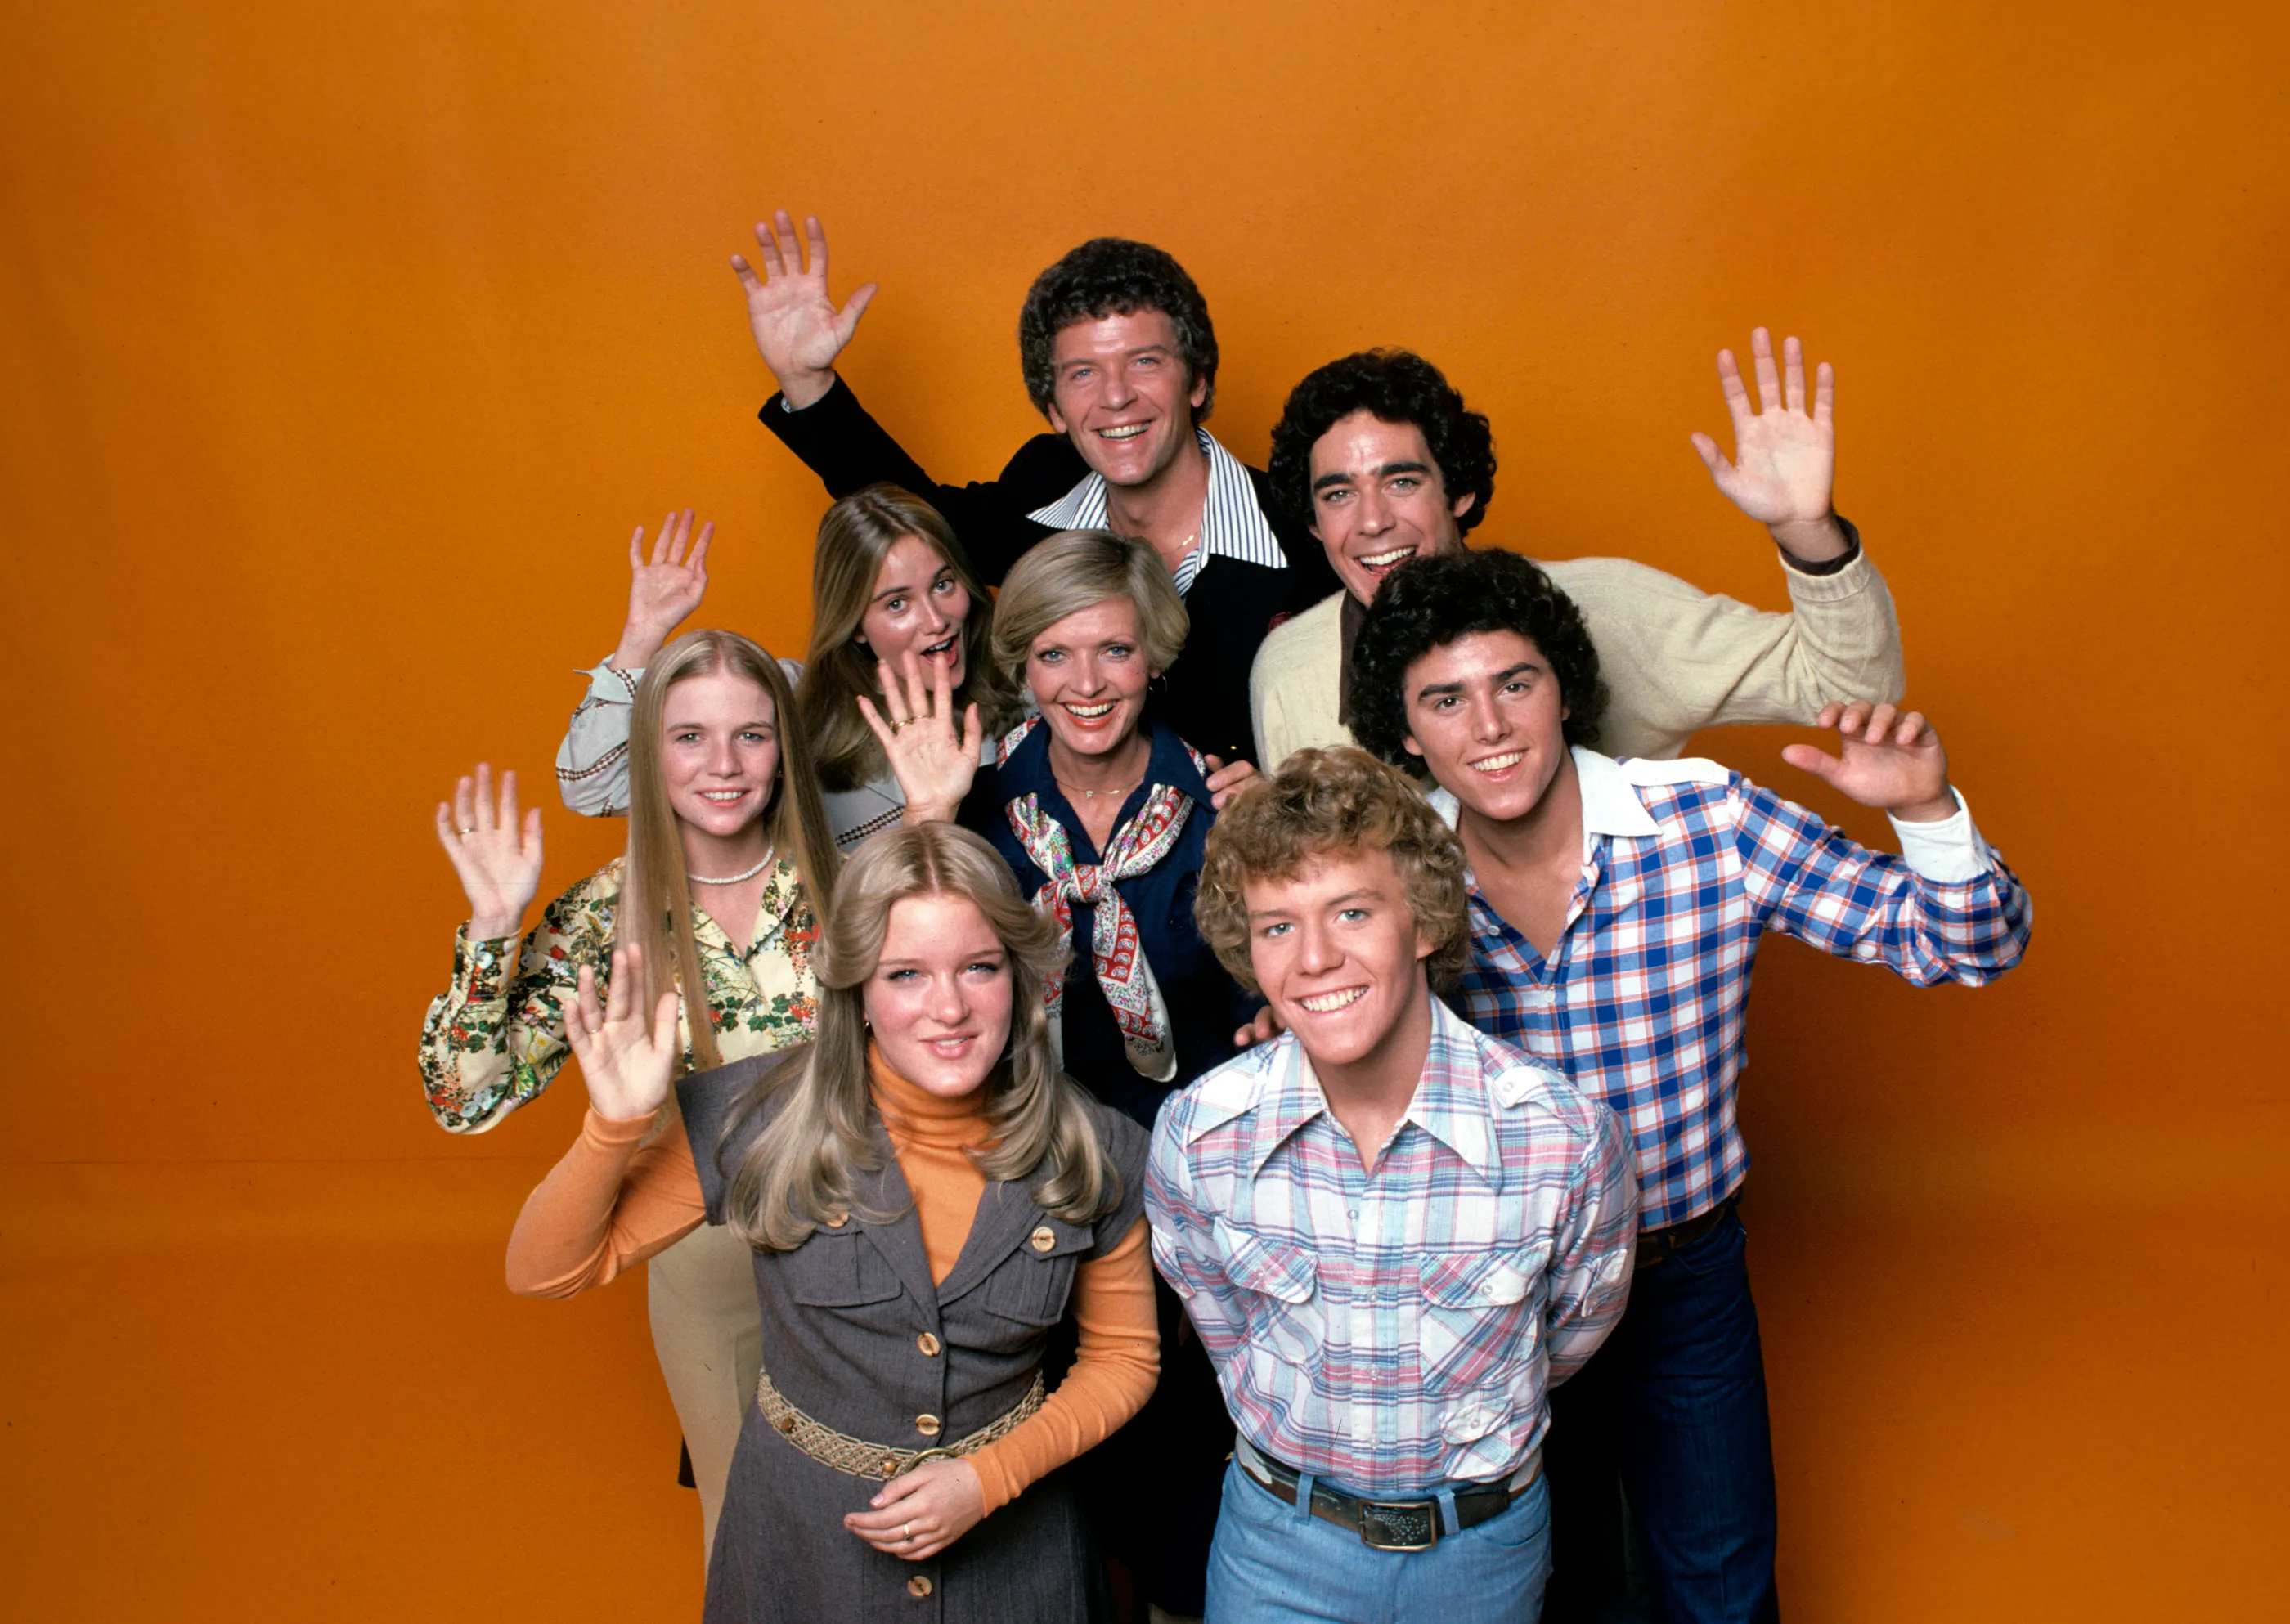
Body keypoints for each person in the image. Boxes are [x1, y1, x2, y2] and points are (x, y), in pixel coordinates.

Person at [1346, 548, 2036, 1623]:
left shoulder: (1703, 820)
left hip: (1682, 1274)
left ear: (1564, 687)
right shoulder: (1388, 871)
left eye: (1514, 682)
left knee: (1719, 1588)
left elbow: (1967, 945)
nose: (1488, 725)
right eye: (1446, 699)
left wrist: (1929, 811)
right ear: (1405, 733)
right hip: (1490, 1295)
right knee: (1531, 1590)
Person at [506, 823, 1161, 1622]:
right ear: (855, 988)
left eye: (979, 967)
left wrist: (988, 1478)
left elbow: (1125, 1359)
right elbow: (542, 1272)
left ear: (1020, 977)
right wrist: (613, 1129)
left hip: (1019, 1565)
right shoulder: (757, 1115)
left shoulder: (1097, 1148)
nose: (949, 1008)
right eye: (906, 974)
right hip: (802, 1556)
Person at [1147, 747, 1639, 1623]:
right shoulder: (1200, 1135)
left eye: (1351, 912)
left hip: (1483, 1555)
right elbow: (1221, 1321)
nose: (1315, 959)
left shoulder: (1561, 1139)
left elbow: (1569, 1333)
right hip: (1278, 1547)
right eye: (1277, 926)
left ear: (1422, 920)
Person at [880, 527, 1264, 1620]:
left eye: (1114, 651)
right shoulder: (976, 805)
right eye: (1054, 654)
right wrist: (926, 817)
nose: (1086, 683)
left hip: (1195, 1182)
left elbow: (1279, 1001)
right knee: (1045, 1465)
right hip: (1021, 1174)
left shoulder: (1228, 803)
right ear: (1022, 665)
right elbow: (890, 979)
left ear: (1156, 658)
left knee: (1190, 1456)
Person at [419, 628, 837, 1558]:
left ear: (784, 748)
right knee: (750, 1528)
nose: (723, 764)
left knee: (893, 1519)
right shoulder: (605, 912)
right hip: (706, 1261)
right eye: (690, 736)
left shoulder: (850, 884)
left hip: (867, 1247)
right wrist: (493, 927)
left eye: (751, 735)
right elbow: (464, 1097)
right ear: (649, 751)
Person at [730, 213, 1343, 765]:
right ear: (1053, 408)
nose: (1115, 396)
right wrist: (808, 384)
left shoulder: (1307, 535)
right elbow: (912, 520)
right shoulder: (1040, 497)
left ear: (1198, 382)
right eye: (1083, 373)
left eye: (1145, 362)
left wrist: (1279, 794)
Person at [1247, 340, 1906, 771]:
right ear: (1313, 522)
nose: (1372, 521)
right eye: (1339, 494)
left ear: (1460, 490)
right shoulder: (1287, 669)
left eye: (1401, 481)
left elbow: (1850, 689)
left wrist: (1805, 530)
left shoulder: (1608, 608)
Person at [555, 491, 1014, 849]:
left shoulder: (1026, 688)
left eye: (943, 584)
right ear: (854, 623)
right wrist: (641, 638)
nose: (936, 620)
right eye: (897, 604)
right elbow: (594, 790)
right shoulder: (795, 700)